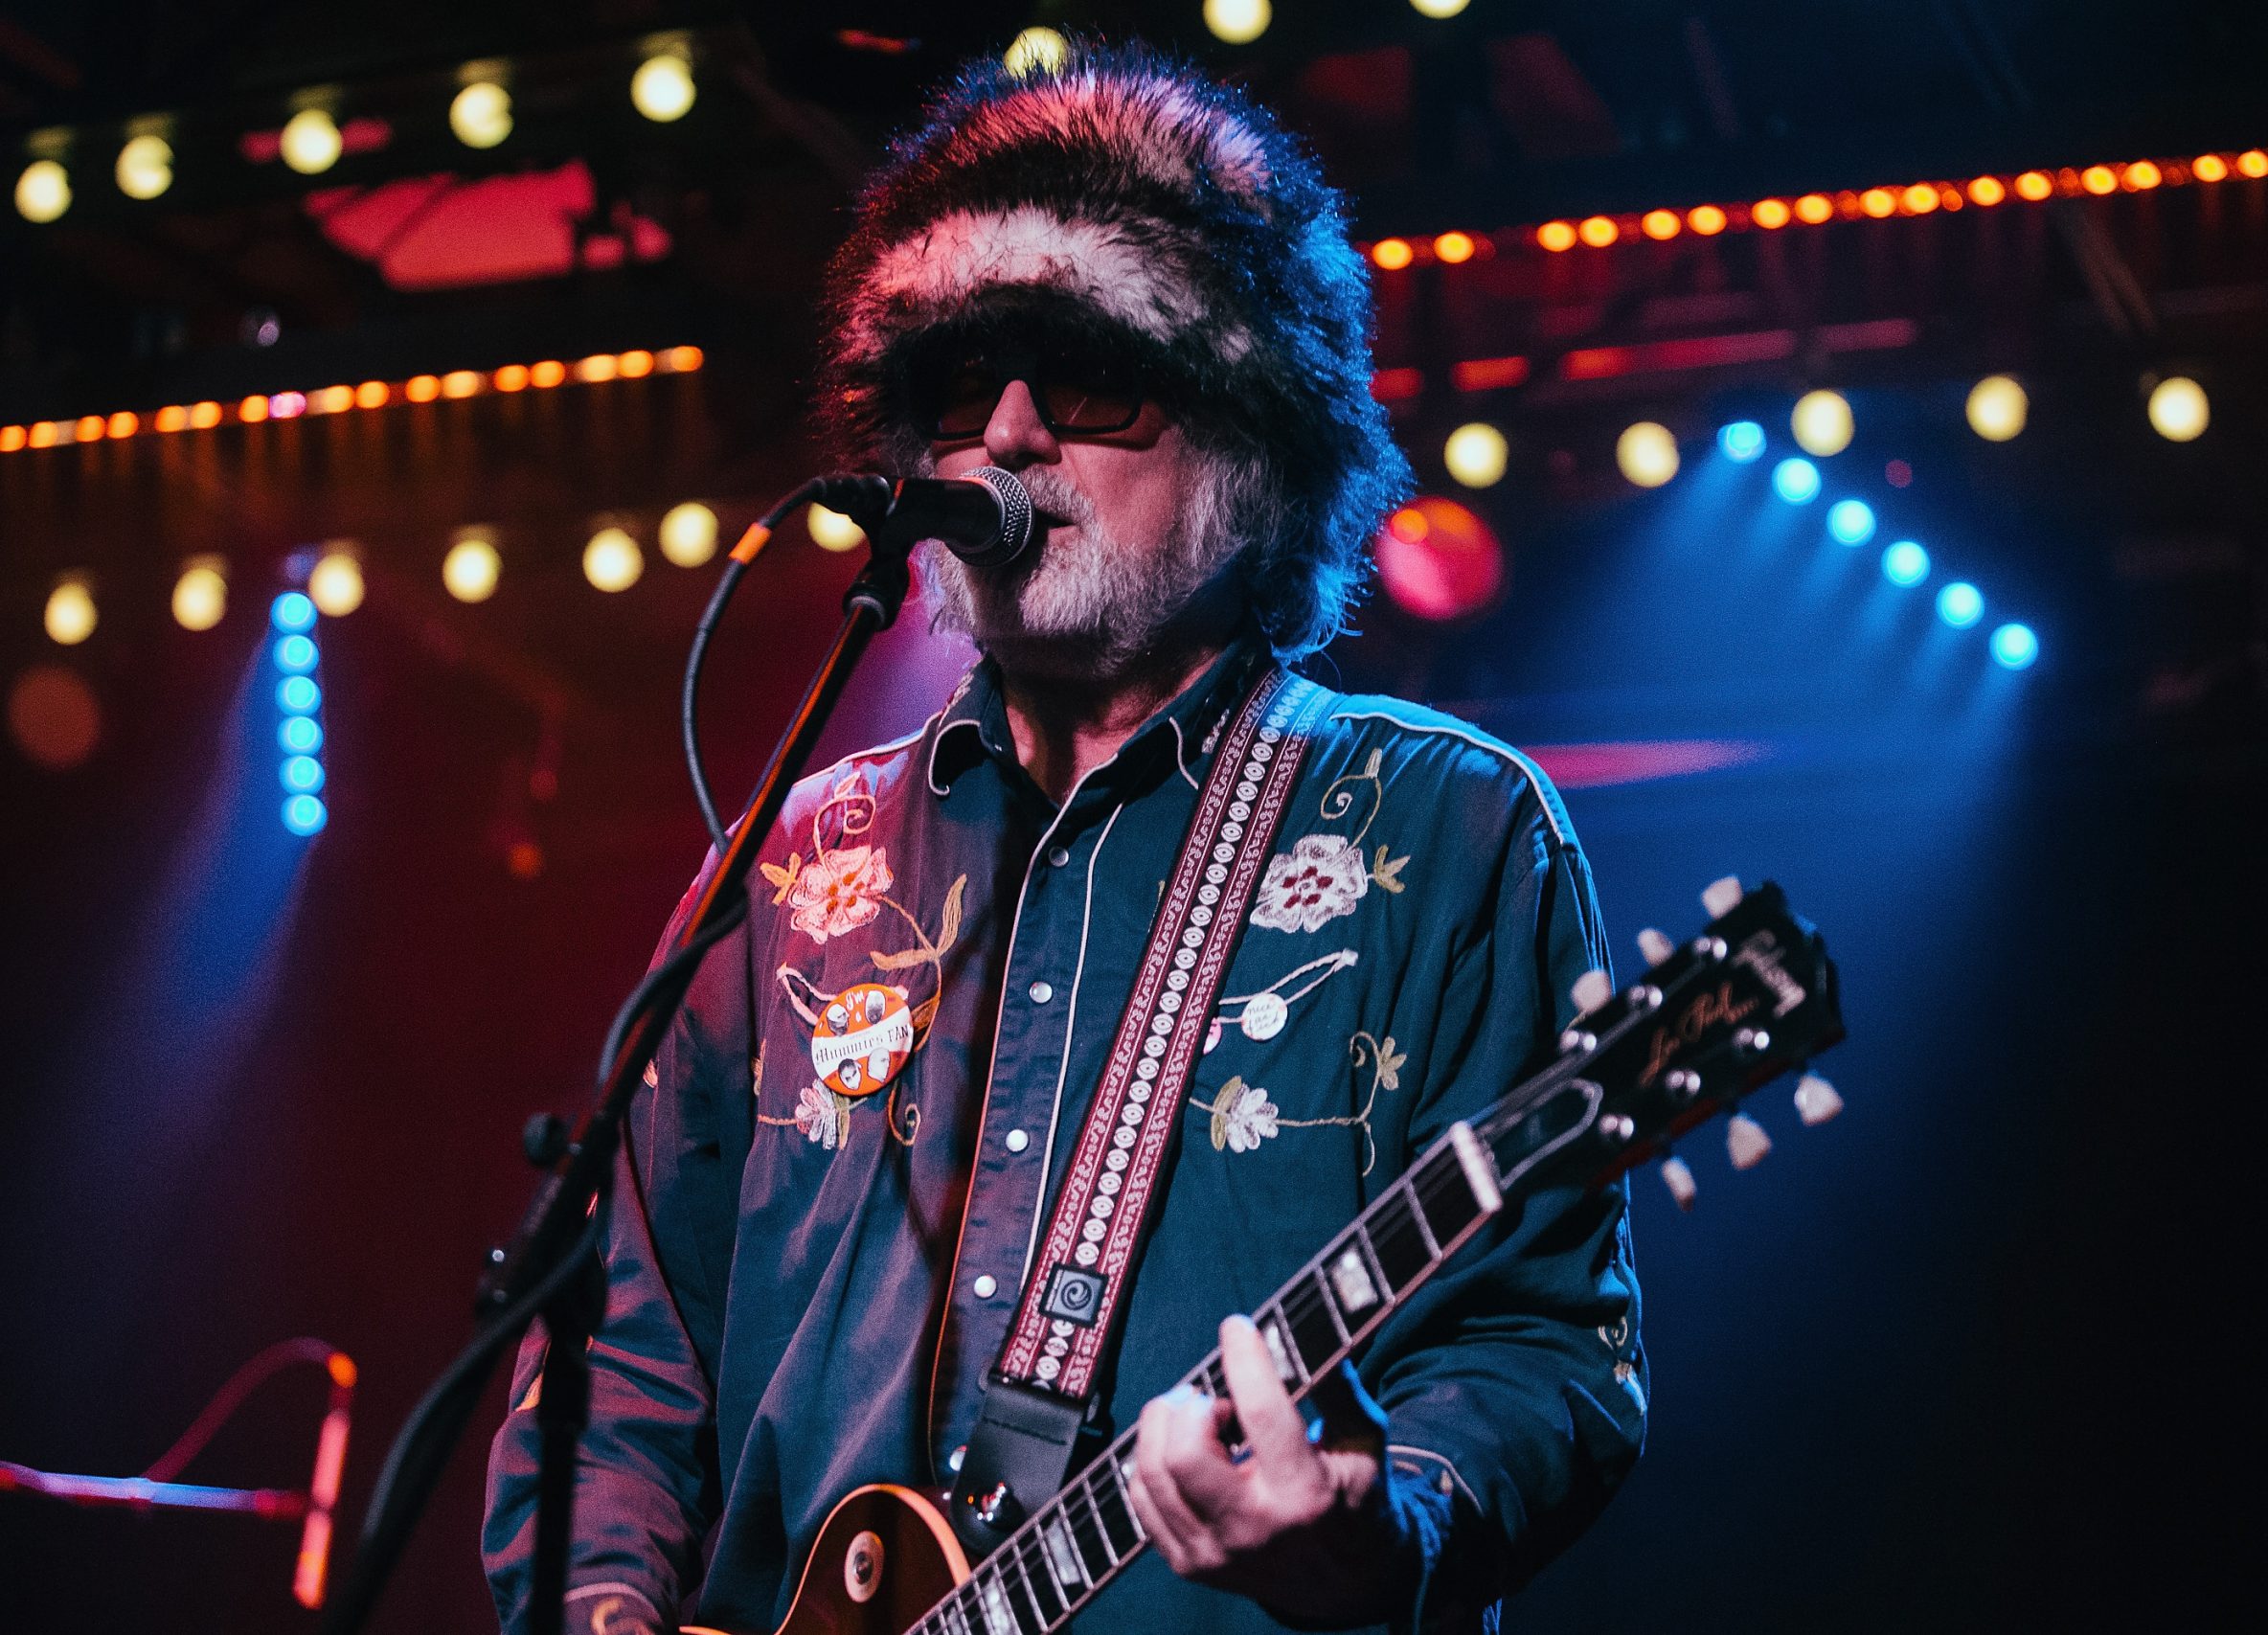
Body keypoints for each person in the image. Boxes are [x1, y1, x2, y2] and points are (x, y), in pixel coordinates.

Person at [485, 41, 1644, 1635]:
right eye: (962, 386)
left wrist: (1376, 1525)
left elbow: (1546, 1349)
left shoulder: (1450, 828)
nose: (1010, 436)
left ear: (1252, 444)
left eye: (1093, 376)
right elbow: (621, 1348)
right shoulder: (797, 857)